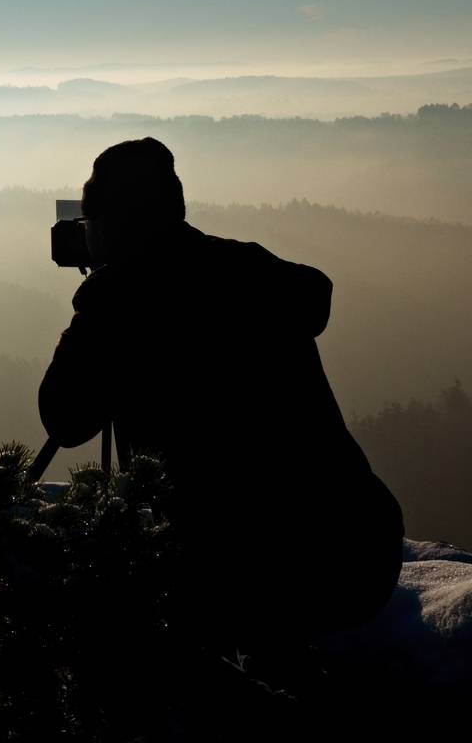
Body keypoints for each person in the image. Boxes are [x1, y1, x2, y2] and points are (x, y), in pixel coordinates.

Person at [38, 137, 403, 656]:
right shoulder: (249, 267)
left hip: (250, 579)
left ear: (110, 228)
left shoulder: (117, 302)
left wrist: (98, 298)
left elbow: (65, 419)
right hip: (360, 551)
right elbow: (312, 290)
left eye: (90, 224)